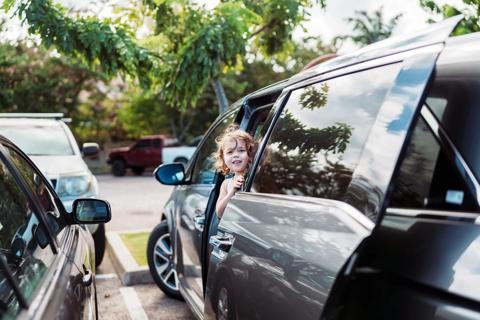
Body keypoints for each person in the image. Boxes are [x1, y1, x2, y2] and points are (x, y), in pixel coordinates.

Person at [214, 124, 256, 219]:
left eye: (241, 150)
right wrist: (232, 191)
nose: (235, 155)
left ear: (249, 154)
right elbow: (219, 213)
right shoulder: (226, 184)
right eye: (230, 152)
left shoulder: (255, 178)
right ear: (223, 157)